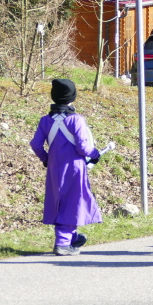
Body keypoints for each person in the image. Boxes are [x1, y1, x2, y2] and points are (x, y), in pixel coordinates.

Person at [29, 79, 103, 256]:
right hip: (75, 168)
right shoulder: (76, 119)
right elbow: (83, 148)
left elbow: (36, 144)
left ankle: (71, 239)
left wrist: (46, 159)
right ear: (73, 97)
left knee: (59, 202)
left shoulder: (45, 121)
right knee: (72, 202)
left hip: (54, 168)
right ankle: (62, 243)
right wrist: (95, 154)